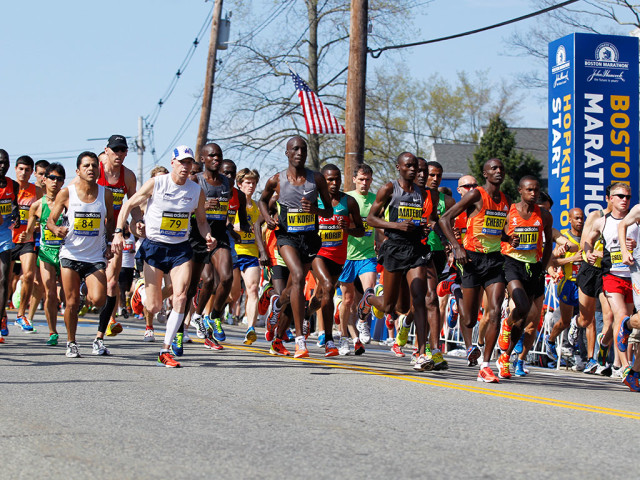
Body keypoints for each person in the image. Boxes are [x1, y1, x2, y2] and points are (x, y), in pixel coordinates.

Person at [113, 145, 214, 367]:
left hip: (180, 248)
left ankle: (165, 350)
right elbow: (129, 204)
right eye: (182, 163)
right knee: (154, 306)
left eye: (189, 163)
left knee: (181, 296)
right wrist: (120, 232)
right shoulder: (157, 183)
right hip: (155, 246)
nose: (186, 167)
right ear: (173, 163)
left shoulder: (196, 191)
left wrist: (208, 236)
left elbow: (201, 220)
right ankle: (142, 293)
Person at [258, 136, 333, 358]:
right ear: (287, 153)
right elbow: (262, 201)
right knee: (298, 276)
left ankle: (278, 325)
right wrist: (267, 218)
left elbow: (329, 210)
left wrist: (315, 211)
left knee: (292, 291)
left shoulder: (316, 179)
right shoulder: (277, 180)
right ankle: (300, 340)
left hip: (309, 239)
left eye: (303, 149)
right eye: (295, 149)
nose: (300, 152)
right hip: (286, 238)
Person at [357, 152, 433, 371]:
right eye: (408, 166)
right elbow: (371, 219)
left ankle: (420, 352)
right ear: (398, 167)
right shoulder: (389, 189)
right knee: (391, 306)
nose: (413, 170)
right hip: (394, 248)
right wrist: (396, 226)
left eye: (415, 167)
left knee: (419, 299)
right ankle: (369, 299)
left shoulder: (421, 192)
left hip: (415, 249)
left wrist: (421, 227)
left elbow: (418, 219)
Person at [439, 158, 511, 383]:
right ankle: (455, 295)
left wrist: (509, 238)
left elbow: (494, 229)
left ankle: (486, 365)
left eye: (501, 168)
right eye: (493, 169)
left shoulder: (505, 200)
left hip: (494, 261)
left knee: (496, 311)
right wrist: (457, 247)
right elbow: (444, 219)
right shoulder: (476, 195)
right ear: (485, 173)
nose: (498, 171)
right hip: (471, 260)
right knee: (469, 320)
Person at [46, 152, 115, 357]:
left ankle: (86, 286)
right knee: (71, 302)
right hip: (70, 254)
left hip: (94, 256)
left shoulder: (106, 194)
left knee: (99, 299)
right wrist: (56, 229)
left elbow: (110, 219)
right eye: (86, 166)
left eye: (94, 165)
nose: (91, 169)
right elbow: (50, 220)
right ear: (78, 171)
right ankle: (71, 342)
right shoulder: (67, 193)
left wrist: (109, 241)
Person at [495, 176, 553, 379]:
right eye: (529, 190)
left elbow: (548, 245)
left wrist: (543, 267)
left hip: (533, 266)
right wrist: (508, 239)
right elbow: (497, 235)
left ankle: (505, 358)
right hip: (511, 263)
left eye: (536, 190)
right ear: (520, 190)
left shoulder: (544, 215)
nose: (533, 193)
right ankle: (506, 324)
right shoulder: (508, 212)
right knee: (522, 306)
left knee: (523, 319)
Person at [306, 164, 364, 357]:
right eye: (329, 179)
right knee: (329, 288)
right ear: (321, 181)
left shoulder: (349, 202)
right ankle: (330, 340)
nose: (334, 183)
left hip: (338, 256)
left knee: (321, 294)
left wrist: (347, 228)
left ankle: (307, 314)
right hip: (317, 253)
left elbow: (361, 230)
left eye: (337, 179)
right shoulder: (314, 200)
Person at [581, 182, 636, 377]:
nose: (624, 200)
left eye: (628, 197)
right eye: (620, 196)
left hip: (633, 277)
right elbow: (587, 240)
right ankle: (625, 366)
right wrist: (588, 253)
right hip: (611, 275)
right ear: (610, 199)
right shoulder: (602, 221)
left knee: (628, 323)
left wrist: (635, 245)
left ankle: (604, 345)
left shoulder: (635, 219)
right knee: (620, 317)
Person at [97, 135, 140, 338]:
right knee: (96, 283)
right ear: (106, 151)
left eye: (123, 150)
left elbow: (134, 204)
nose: (119, 154)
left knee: (112, 282)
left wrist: (138, 222)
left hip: (115, 232)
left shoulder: (129, 176)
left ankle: (109, 321)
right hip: (92, 232)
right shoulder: (94, 170)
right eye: (115, 150)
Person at [22, 163, 66, 346]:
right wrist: (26, 233)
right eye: (52, 178)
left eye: (59, 179)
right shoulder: (37, 206)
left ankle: (71, 324)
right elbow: (30, 229)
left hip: (65, 252)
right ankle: (53, 332)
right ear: (44, 180)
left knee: (67, 296)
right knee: (49, 292)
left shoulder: (68, 201)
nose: (55, 182)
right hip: (46, 252)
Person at [338, 163, 379, 354]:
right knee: (347, 300)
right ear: (354, 179)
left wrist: (380, 242)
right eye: (361, 179)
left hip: (367, 255)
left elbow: (379, 225)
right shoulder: (346, 199)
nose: (364, 183)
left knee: (369, 292)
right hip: (346, 256)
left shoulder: (376, 199)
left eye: (368, 179)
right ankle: (343, 337)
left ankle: (362, 322)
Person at [544, 208, 584, 367]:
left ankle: (584, 357)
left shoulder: (587, 236)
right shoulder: (564, 238)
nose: (580, 221)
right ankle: (551, 339)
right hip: (568, 282)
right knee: (565, 322)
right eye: (577, 218)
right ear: (570, 220)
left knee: (588, 320)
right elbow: (552, 261)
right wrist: (572, 258)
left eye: (581, 218)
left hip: (584, 283)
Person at [11, 155, 43, 331]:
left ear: (32, 172)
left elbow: (43, 214)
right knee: (4, 279)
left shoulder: (36, 191)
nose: (23, 173)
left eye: (27, 170)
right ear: (15, 169)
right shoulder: (8, 187)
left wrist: (36, 226)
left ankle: (21, 314)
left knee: (29, 275)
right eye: (20, 169)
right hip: (8, 239)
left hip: (27, 240)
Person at [233, 168, 262, 345]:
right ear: (240, 184)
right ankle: (212, 318)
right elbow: (229, 223)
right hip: (234, 250)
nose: (251, 186)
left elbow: (261, 229)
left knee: (252, 289)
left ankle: (250, 328)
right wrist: (241, 226)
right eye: (248, 183)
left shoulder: (257, 207)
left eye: (253, 183)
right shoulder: (233, 203)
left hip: (251, 252)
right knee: (232, 293)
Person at [0, 149, 19, 343]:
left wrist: (15, 214)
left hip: (4, 235)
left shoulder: (12, 185)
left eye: (5, 162)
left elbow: (14, 204)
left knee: (4, 279)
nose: (2, 165)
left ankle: (1, 317)